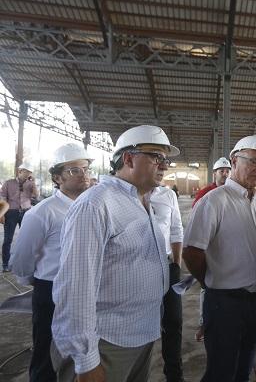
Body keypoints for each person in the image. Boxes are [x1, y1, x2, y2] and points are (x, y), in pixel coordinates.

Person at [50, 125, 179, 382]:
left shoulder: (143, 202)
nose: (164, 165)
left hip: (140, 334)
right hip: (106, 342)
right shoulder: (96, 205)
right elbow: (76, 288)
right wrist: (87, 362)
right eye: (156, 156)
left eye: (166, 159)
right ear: (129, 159)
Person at [183, 135, 256, 382]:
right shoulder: (214, 201)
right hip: (225, 304)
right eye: (253, 162)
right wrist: (211, 280)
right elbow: (191, 252)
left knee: (243, 369)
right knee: (221, 372)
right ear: (234, 161)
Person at [9, 144, 92, 382]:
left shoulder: (93, 208)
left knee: (82, 353)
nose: (84, 174)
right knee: (46, 353)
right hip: (51, 290)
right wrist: (35, 282)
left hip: (86, 290)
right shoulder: (43, 213)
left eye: (85, 168)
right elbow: (22, 258)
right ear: (57, 177)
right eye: (74, 170)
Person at [191, 156, 232, 342]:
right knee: (207, 286)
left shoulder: (234, 192)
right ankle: (204, 322)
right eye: (221, 171)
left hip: (229, 247)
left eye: (227, 171)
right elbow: (196, 222)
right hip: (210, 246)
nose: (225, 173)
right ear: (214, 173)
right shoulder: (205, 194)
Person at [151, 183, 184, 382]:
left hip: (167, 264)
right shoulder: (116, 196)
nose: (162, 165)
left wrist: (176, 265)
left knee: (174, 321)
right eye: (156, 158)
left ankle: (174, 374)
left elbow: (176, 229)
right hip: (137, 266)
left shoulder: (168, 195)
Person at [1, 162, 39, 271]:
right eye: (26, 171)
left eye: (30, 172)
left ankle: (25, 262)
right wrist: (2, 213)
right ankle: (5, 264)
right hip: (11, 213)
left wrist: (34, 183)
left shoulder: (31, 184)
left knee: (27, 238)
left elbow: (36, 196)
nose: (28, 174)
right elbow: (2, 196)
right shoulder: (8, 183)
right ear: (20, 171)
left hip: (26, 212)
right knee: (8, 239)